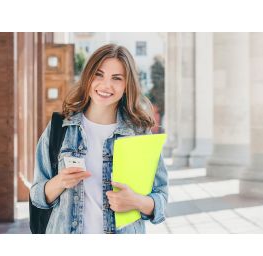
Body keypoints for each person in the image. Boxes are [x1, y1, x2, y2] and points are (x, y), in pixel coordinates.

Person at [30, 43, 168, 234]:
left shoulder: (139, 133)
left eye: (117, 78)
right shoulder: (60, 128)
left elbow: (161, 199)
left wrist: (136, 201)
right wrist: (60, 181)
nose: (106, 85)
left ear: (127, 85)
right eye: (99, 74)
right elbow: (36, 195)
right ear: (88, 77)